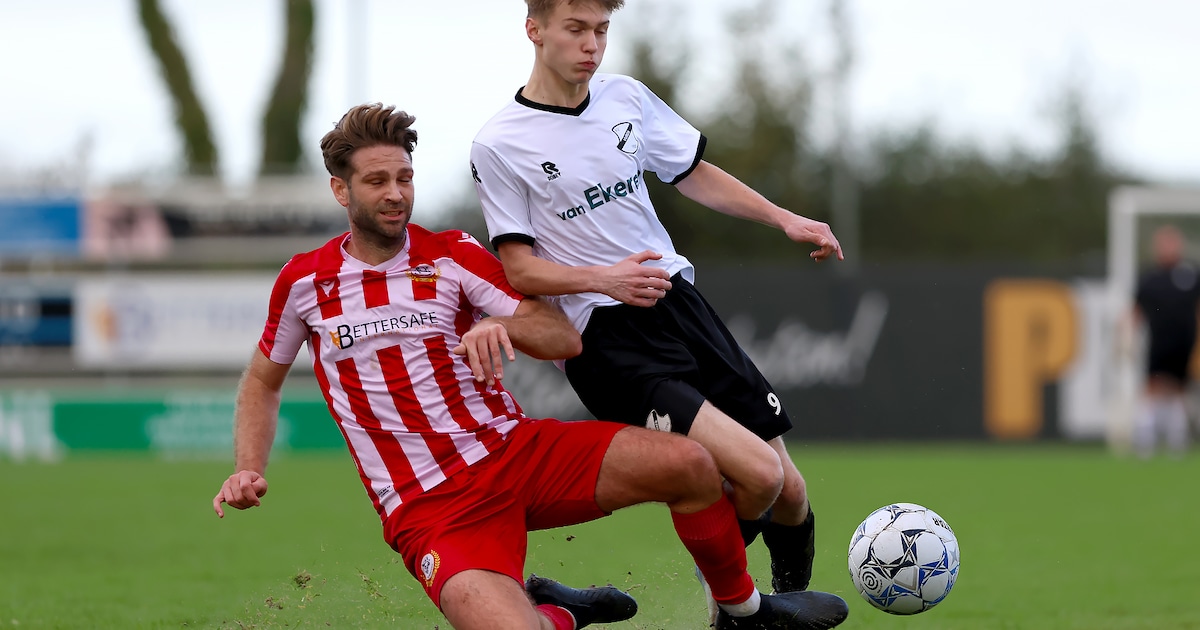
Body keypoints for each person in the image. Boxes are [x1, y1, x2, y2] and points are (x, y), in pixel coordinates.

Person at [212, 103, 848, 630]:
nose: (395, 193)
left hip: (517, 452)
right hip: (429, 506)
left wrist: (496, 322)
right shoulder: (304, 281)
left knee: (691, 463)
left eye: (404, 177)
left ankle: (742, 612)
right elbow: (262, 383)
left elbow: (560, 336)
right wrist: (247, 468)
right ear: (340, 189)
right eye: (377, 181)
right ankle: (560, 612)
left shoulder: (453, 255)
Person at [469, 1, 843, 624]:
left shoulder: (626, 99)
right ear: (534, 29)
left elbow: (692, 173)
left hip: (678, 302)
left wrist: (785, 217)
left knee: (791, 491)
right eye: (576, 29)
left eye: (601, 31)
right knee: (758, 475)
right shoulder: (501, 142)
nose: (592, 45)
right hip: (609, 336)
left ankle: (756, 612)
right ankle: (744, 613)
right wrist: (603, 279)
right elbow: (520, 270)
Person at [1132, 224, 1199, 456]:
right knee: (1153, 388)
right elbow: (1135, 311)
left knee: (1180, 390)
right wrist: (1125, 340)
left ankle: (1177, 443)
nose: (1169, 248)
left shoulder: (1190, 275)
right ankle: (1145, 442)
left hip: (1185, 344)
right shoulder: (1149, 278)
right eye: (1164, 243)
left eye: (1172, 242)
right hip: (1158, 343)